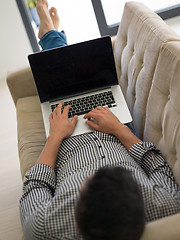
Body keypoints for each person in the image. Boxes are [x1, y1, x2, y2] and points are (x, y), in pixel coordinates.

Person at [19, 1, 180, 240]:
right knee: (91, 76)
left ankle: (50, 35)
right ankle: (51, 35)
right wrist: (117, 128)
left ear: (77, 220)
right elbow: (155, 163)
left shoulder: (42, 227)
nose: (98, 170)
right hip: (116, 131)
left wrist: (55, 136)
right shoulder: (165, 206)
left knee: (64, 84)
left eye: (86, 183)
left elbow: (36, 185)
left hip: (66, 140)